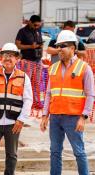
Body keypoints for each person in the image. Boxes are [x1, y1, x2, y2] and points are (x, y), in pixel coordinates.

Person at [40, 30, 94, 175]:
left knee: (79, 152)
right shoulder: (53, 68)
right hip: (56, 117)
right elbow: (49, 93)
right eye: (58, 46)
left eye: (63, 46)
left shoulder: (84, 68)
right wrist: (45, 115)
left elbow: (90, 95)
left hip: (74, 117)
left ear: (72, 48)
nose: (59, 49)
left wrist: (84, 117)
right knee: (55, 152)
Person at [0, 43, 33, 175]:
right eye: (5, 55)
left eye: (11, 56)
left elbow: (28, 100)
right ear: (0, 58)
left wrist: (21, 120)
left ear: (17, 59)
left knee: (12, 155)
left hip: (13, 123)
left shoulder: (23, 77)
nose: (8, 58)